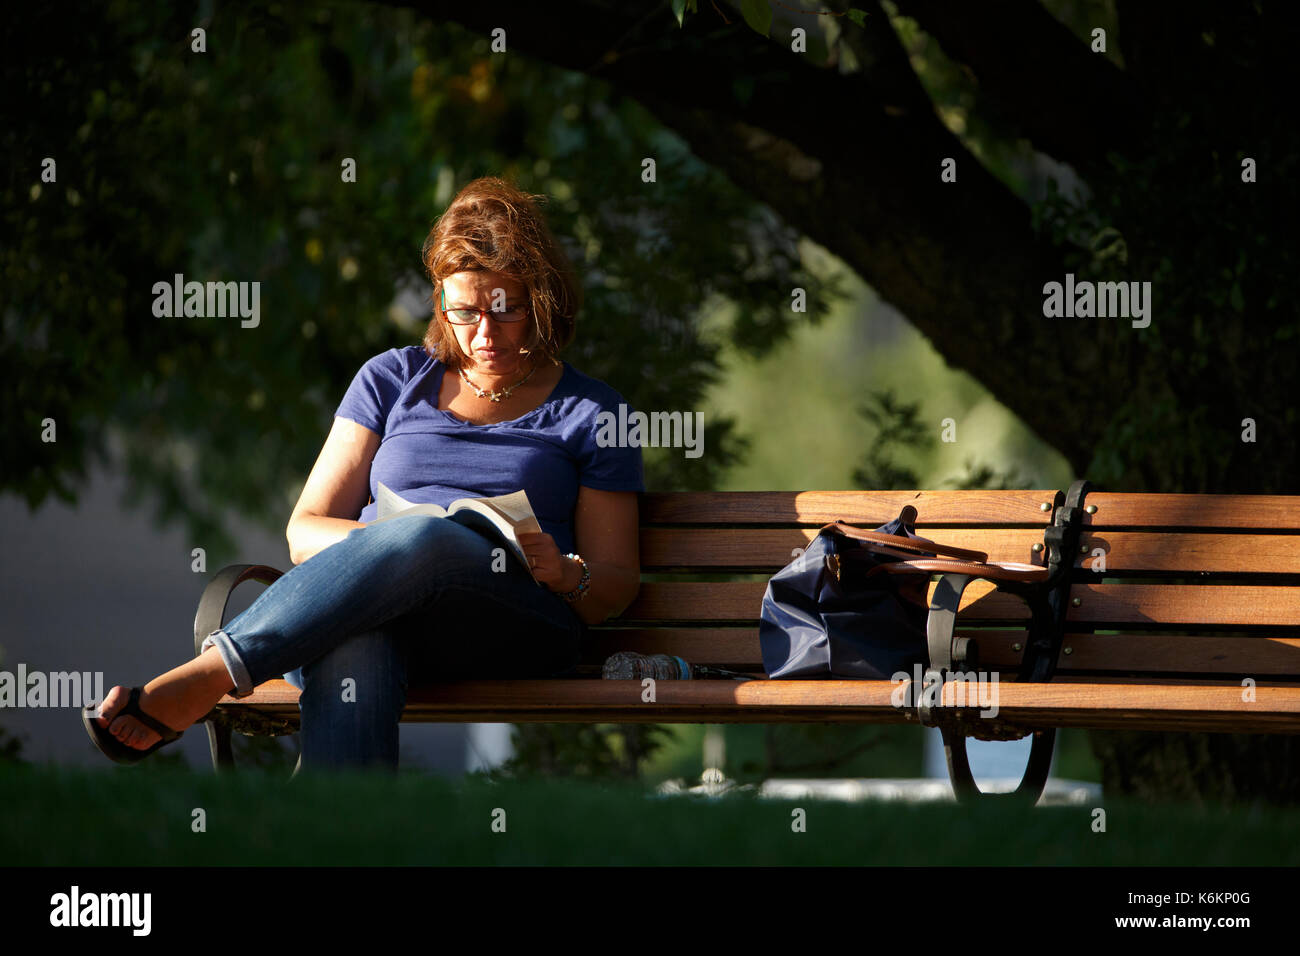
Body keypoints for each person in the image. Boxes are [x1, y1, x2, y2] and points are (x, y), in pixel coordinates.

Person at [83, 177, 645, 770]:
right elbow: (305, 533)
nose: (484, 333)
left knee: (427, 538)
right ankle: (344, 835)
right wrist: (396, 547)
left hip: (511, 624)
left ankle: (212, 673)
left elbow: (614, 587)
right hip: (369, 611)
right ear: (440, 303)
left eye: (504, 309)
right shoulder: (391, 378)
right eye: (464, 311)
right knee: (359, 635)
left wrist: (564, 572)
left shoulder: (594, 412)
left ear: (542, 297)